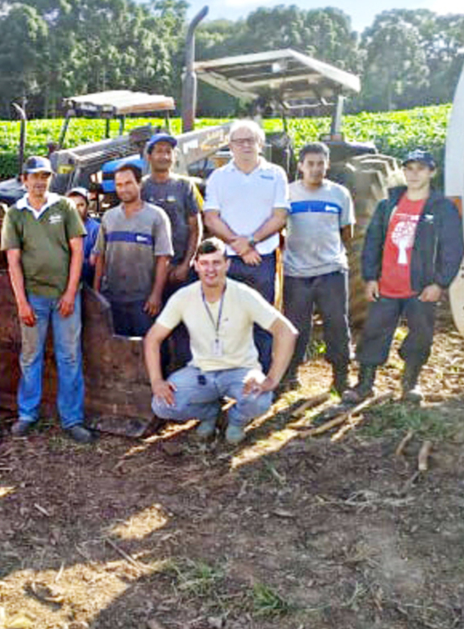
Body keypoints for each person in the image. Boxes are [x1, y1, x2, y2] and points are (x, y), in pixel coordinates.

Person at [144, 238, 298, 444]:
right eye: (205, 263)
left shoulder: (243, 294)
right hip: (201, 372)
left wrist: (271, 379)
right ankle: (210, 414)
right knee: (162, 405)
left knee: (259, 400)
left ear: (227, 264)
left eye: (216, 262)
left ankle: (235, 420)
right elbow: (152, 339)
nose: (210, 269)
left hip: (241, 371)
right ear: (196, 265)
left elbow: (287, 332)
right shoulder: (184, 297)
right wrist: (156, 381)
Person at [344, 149, 464, 405]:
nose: (414, 174)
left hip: (420, 288)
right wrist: (370, 277)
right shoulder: (388, 205)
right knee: (373, 333)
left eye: (420, 168)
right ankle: (365, 384)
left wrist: (440, 283)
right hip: (386, 285)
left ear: (432, 172)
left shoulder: (442, 208)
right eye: (409, 168)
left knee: (420, 336)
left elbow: (452, 248)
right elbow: (373, 242)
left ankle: (410, 382)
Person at [2, 156, 94, 443]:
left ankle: (72, 419)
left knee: (69, 356)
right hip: (34, 297)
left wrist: (70, 292)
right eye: (34, 176)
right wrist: (21, 302)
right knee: (31, 356)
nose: (40, 182)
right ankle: (28, 413)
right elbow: (13, 260)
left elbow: (77, 251)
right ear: (24, 180)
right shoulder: (15, 213)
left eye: (45, 176)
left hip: (64, 297)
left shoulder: (64, 206)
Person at [203, 119, 289, 372]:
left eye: (250, 140)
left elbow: (279, 216)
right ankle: (228, 377)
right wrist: (238, 246)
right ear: (230, 146)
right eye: (239, 141)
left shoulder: (275, 174)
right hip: (227, 261)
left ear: (260, 144)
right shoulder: (218, 177)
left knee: (262, 321)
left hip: (262, 260)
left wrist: (250, 242)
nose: (245, 146)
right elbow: (211, 218)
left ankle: (259, 376)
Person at [282, 142, 355, 395]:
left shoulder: (340, 194)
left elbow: (347, 232)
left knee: (337, 323)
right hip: (296, 273)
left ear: (327, 165)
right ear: (300, 166)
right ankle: (289, 374)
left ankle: (340, 377)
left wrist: (331, 257)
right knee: (296, 325)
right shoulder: (286, 193)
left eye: (320, 164)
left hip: (331, 272)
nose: (315, 169)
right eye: (310, 164)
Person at [92, 163, 173, 337]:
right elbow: (100, 256)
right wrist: (97, 294)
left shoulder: (156, 217)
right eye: (119, 185)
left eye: (128, 183)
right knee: (116, 350)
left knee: (146, 349)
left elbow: (163, 259)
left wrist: (156, 295)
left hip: (142, 301)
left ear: (139, 184)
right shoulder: (109, 217)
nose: (123, 189)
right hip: (112, 299)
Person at [141, 133, 203, 288]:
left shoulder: (185, 186)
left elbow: (195, 228)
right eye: (159, 151)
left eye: (168, 152)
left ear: (174, 157)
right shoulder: (141, 187)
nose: (164, 156)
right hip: (148, 270)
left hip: (178, 270)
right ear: (149, 157)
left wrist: (186, 264)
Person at [65, 187, 99, 286]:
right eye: (72, 205)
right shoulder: (60, 228)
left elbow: (95, 263)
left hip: (87, 284)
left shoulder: (95, 229)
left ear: (88, 206)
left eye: (81, 205)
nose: (76, 209)